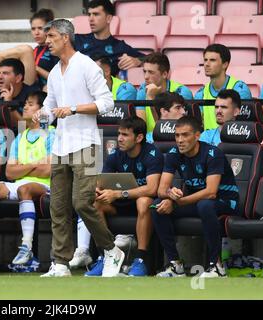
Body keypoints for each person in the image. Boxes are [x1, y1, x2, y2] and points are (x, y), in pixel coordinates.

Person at [33, 19, 124, 277]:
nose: (46, 41)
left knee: (83, 203)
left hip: (87, 143)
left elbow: (107, 102)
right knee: (58, 206)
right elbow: (50, 108)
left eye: (50, 36)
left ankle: (110, 249)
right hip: (61, 145)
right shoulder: (53, 73)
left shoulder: (86, 65)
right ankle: (60, 263)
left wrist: (72, 109)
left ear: (65, 37)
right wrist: (41, 116)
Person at [70, 117, 163, 276]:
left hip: (140, 204)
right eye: (119, 134)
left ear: (139, 137)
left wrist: (119, 194)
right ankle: (105, 255)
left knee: (144, 201)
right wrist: (98, 190)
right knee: (95, 203)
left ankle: (140, 260)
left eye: (125, 135)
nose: (119, 138)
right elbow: (102, 181)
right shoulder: (115, 154)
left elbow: (152, 189)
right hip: (120, 204)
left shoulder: (152, 154)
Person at [151, 116, 239, 278]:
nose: (180, 140)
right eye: (177, 135)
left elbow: (211, 192)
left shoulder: (213, 153)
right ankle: (175, 264)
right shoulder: (173, 153)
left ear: (197, 136)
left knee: (205, 205)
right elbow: (161, 189)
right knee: (158, 206)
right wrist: (170, 195)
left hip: (225, 201)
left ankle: (216, 266)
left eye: (185, 135)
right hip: (196, 202)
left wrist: (177, 202)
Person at [0, 91, 55, 270]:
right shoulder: (19, 137)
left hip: (46, 186)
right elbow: (10, 172)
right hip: (21, 183)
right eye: (26, 104)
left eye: (30, 104)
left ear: (42, 110)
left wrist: (23, 166)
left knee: (25, 189)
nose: (25, 107)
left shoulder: (52, 134)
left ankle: (26, 246)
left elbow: (49, 170)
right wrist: (34, 164)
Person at [76, 0, 144, 74]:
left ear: (108, 18)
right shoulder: (77, 40)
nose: (90, 19)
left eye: (96, 14)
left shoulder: (120, 47)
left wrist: (138, 60)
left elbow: (152, 59)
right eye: (89, 14)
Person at [195, 44, 252, 131]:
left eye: (212, 60)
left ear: (225, 64)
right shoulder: (200, 93)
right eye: (205, 60)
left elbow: (243, 124)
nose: (206, 64)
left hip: (231, 140)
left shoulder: (240, 89)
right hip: (208, 141)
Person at [136, 52, 192, 133]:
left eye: (151, 72)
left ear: (165, 74)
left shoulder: (182, 92)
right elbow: (141, 129)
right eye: (144, 71)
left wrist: (150, 99)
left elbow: (168, 130)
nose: (146, 77)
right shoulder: (142, 91)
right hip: (150, 141)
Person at [0, 58, 38, 126]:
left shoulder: (33, 95)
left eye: (5, 73)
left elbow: (28, 128)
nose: (0, 77)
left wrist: (9, 105)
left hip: (23, 135)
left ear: (18, 78)